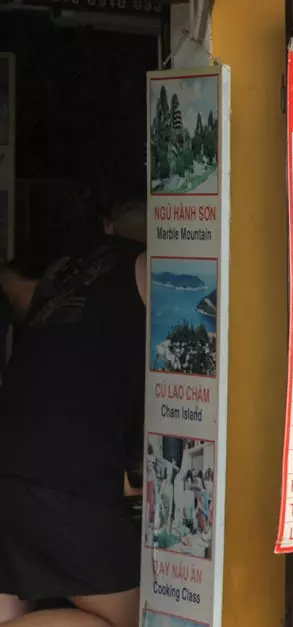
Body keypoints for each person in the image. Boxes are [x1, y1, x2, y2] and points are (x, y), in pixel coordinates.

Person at [0, 198, 147, 627]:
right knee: (125, 618)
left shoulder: (66, 272)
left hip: (14, 457)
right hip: (70, 473)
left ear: (107, 226)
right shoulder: (145, 268)